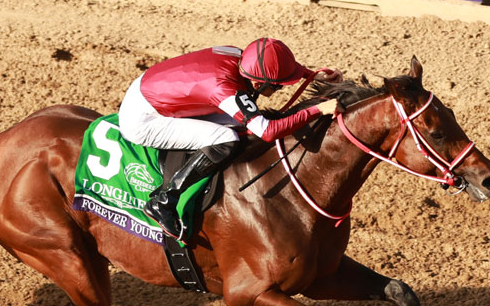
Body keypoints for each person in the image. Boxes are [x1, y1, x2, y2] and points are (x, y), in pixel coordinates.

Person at [117, 38, 341, 239]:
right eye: (278, 85)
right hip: (143, 119)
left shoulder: (241, 57)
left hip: (153, 90)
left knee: (243, 126)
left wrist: (311, 75)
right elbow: (268, 131)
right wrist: (318, 110)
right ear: (257, 84)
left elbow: (271, 65)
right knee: (226, 138)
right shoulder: (223, 88)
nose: (281, 88)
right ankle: (164, 201)